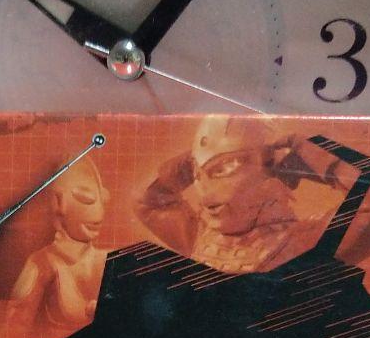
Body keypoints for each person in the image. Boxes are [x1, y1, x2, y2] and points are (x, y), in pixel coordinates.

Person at [135, 116, 347, 275]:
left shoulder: (308, 239)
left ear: (268, 168)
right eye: (197, 174)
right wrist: (200, 154)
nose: (206, 190)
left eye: (225, 167)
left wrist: (311, 155)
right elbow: (146, 200)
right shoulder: (197, 237)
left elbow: (369, 199)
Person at [10, 156, 109, 333]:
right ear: (58, 202)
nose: (98, 210)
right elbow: (15, 328)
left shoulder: (110, 259)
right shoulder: (41, 264)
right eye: (85, 197)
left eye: (101, 197)